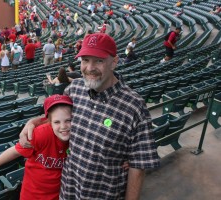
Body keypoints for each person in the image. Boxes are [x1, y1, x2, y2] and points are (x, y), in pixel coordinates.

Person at [19, 33, 160, 199]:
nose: (90, 67)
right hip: (69, 192)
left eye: (99, 60)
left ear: (114, 62)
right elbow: (53, 118)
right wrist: (31, 123)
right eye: (85, 60)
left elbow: (138, 166)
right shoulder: (73, 89)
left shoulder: (135, 106)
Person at [0, 94, 73, 200]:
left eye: (68, 120)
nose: (63, 126)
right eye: (57, 122)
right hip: (33, 194)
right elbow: (16, 151)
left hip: (60, 193)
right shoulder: (42, 134)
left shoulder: (78, 135)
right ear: (49, 122)